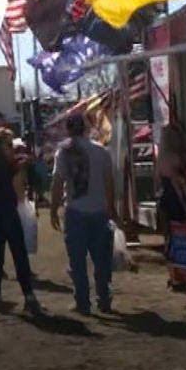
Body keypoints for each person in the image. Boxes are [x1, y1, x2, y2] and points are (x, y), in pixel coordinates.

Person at [50, 113, 117, 316]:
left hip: (76, 210)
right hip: (99, 210)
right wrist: (111, 208)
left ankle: (83, 302)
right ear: (86, 128)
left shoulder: (64, 152)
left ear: (69, 129)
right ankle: (104, 298)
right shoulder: (101, 151)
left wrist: (53, 208)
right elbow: (109, 183)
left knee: (77, 261)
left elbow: (58, 182)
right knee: (101, 259)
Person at [0, 128, 41, 315]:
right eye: (9, 145)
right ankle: (28, 296)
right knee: (19, 255)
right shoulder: (5, 165)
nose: (11, 148)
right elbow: (17, 176)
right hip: (6, 212)